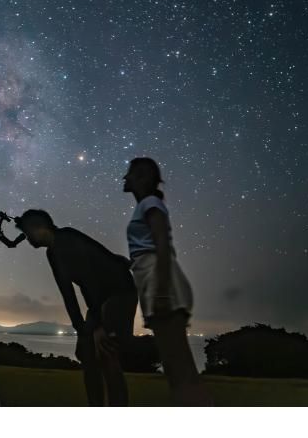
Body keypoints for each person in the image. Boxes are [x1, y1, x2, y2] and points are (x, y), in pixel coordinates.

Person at [15, 209, 137, 406]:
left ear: (37, 228)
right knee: (86, 354)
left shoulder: (67, 238)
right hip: (98, 300)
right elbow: (68, 294)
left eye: (28, 233)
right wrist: (81, 327)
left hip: (118, 292)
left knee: (107, 353)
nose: (27, 239)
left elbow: (91, 279)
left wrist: (97, 326)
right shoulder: (52, 253)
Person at [121, 156, 213, 405]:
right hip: (153, 279)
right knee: (176, 370)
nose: (124, 178)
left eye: (129, 173)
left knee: (181, 372)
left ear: (142, 177)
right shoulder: (146, 205)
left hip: (159, 280)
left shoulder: (150, 203)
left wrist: (161, 293)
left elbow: (162, 245)